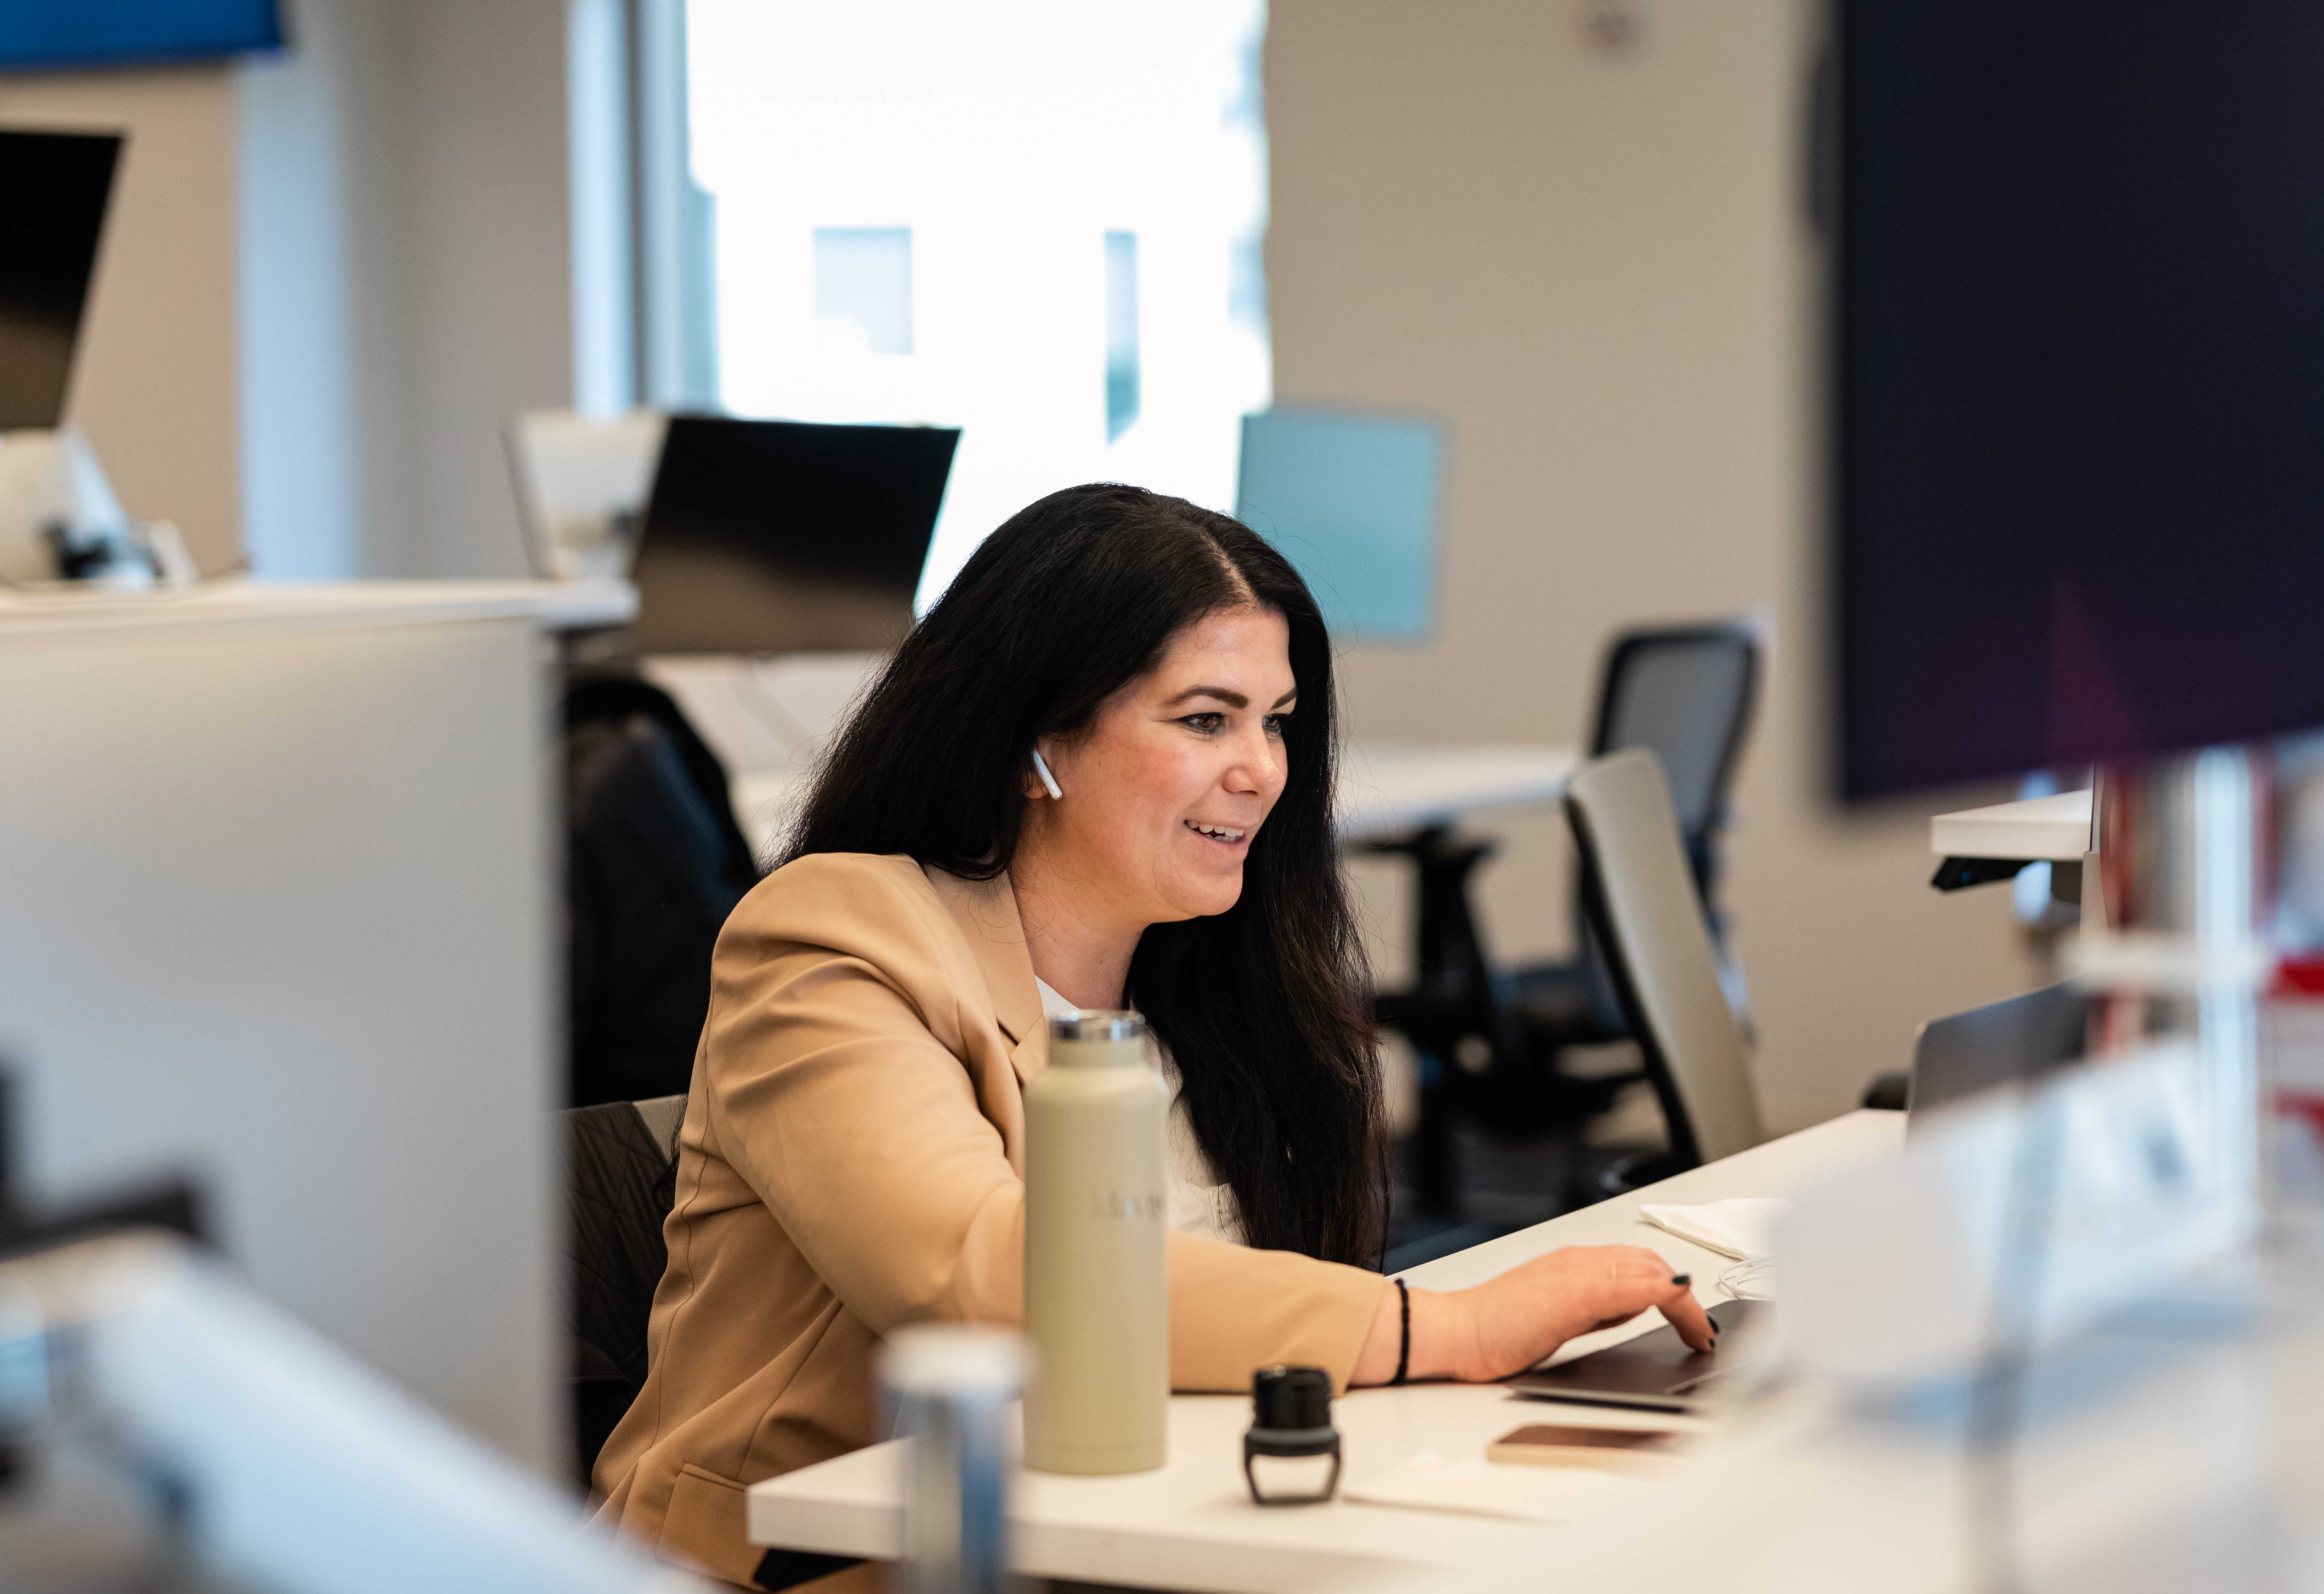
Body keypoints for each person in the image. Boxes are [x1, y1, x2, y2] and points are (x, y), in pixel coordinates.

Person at [591, 484, 1711, 1587]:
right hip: (845, 1564)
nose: (1262, 769)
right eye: (1203, 718)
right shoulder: (836, 934)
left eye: (1274, 721)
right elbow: (970, 1274)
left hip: (1147, 1529)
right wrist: (1448, 1329)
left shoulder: (1208, 983)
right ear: (1035, 739)